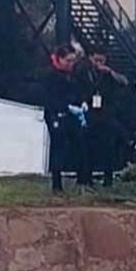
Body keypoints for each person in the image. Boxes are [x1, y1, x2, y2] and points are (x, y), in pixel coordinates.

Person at [45, 44, 90, 193]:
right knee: (59, 147)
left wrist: (82, 102)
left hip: (72, 115)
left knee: (81, 145)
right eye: (68, 61)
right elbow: (49, 99)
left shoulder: (73, 75)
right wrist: (66, 107)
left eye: (73, 61)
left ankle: (82, 181)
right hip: (56, 114)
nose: (71, 64)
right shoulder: (51, 75)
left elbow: (78, 91)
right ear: (60, 59)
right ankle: (56, 185)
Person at [83, 50, 130, 188]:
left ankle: (107, 179)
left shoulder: (109, 74)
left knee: (108, 148)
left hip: (106, 114)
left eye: (101, 61)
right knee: (88, 148)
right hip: (90, 113)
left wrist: (109, 72)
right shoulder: (84, 71)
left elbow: (124, 81)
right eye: (96, 60)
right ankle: (87, 178)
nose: (98, 64)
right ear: (90, 58)